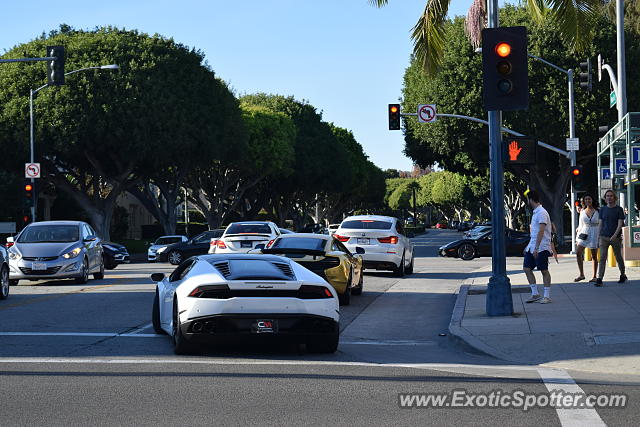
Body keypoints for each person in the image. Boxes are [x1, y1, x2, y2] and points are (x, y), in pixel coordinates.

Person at [523, 190, 553, 304]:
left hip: (542, 247)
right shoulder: (536, 212)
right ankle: (535, 293)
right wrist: (529, 246)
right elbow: (535, 232)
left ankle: (546, 296)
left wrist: (536, 248)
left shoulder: (542, 212)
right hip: (532, 246)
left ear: (530, 199)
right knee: (526, 268)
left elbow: (541, 231)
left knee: (544, 270)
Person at [596, 190, 627, 286]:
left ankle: (622, 274)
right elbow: (600, 224)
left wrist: (615, 235)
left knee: (618, 257)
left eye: (611, 196)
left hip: (616, 237)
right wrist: (598, 236)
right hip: (603, 237)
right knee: (602, 257)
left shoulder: (619, 209)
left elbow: (620, 224)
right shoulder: (603, 210)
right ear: (605, 199)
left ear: (615, 198)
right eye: (607, 196)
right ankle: (599, 278)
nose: (609, 198)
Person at [574, 194, 600, 283]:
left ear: (592, 200)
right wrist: (577, 237)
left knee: (594, 256)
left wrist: (600, 235)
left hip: (595, 232)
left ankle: (594, 276)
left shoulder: (598, 211)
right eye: (586, 199)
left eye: (589, 199)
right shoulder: (582, 211)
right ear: (584, 201)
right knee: (578, 253)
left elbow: (601, 224)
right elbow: (580, 225)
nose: (588, 201)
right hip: (584, 232)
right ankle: (581, 274)